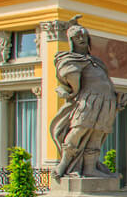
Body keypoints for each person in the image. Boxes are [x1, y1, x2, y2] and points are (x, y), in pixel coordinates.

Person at [50, 16, 118, 178]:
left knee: (98, 134)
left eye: (83, 35)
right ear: (71, 40)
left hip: (106, 101)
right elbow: (69, 76)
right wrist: (71, 91)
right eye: (77, 36)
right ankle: (64, 164)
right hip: (88, 100)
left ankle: (89, 168)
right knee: (79, 129)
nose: (81, 38)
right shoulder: (70, 59)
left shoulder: (95, 61)